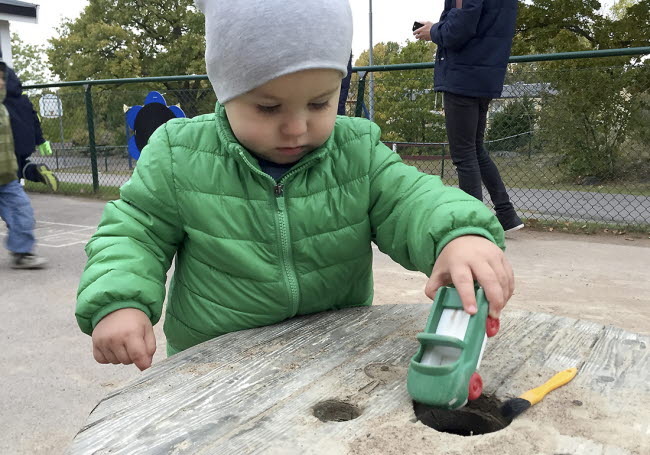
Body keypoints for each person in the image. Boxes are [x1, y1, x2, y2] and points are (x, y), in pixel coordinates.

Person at [75, 0, 514, 371]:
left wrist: (459, 235)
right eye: (268, 107)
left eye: (320, 102)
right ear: (225, 91)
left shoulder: (355, 150)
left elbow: (412, 199)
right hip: (214, 369)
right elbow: (134, 233)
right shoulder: (179, 153)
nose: (297, 127)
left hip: (332, 358)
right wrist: (120, 301)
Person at [413, 0, 524, 232]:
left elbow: (459, 29)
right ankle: (506, 215)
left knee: (463, 154)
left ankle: (473, 224)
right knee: (475, 149)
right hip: (486, 74)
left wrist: (433, 30)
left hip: (462, 74)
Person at [0, 59, 47, 269]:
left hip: (7, 176)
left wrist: (38, 142)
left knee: (22, 211)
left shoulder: (5, 109)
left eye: (2, 78)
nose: (0, 82)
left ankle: (21, 253)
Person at [3, 65, 58, 191]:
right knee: (20, 166)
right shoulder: (20, 95)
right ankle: (36, 171)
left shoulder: (3, 99)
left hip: (7, 142)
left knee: (9, 185)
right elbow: (34, 116)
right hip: (25, 140)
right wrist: (40, 140)